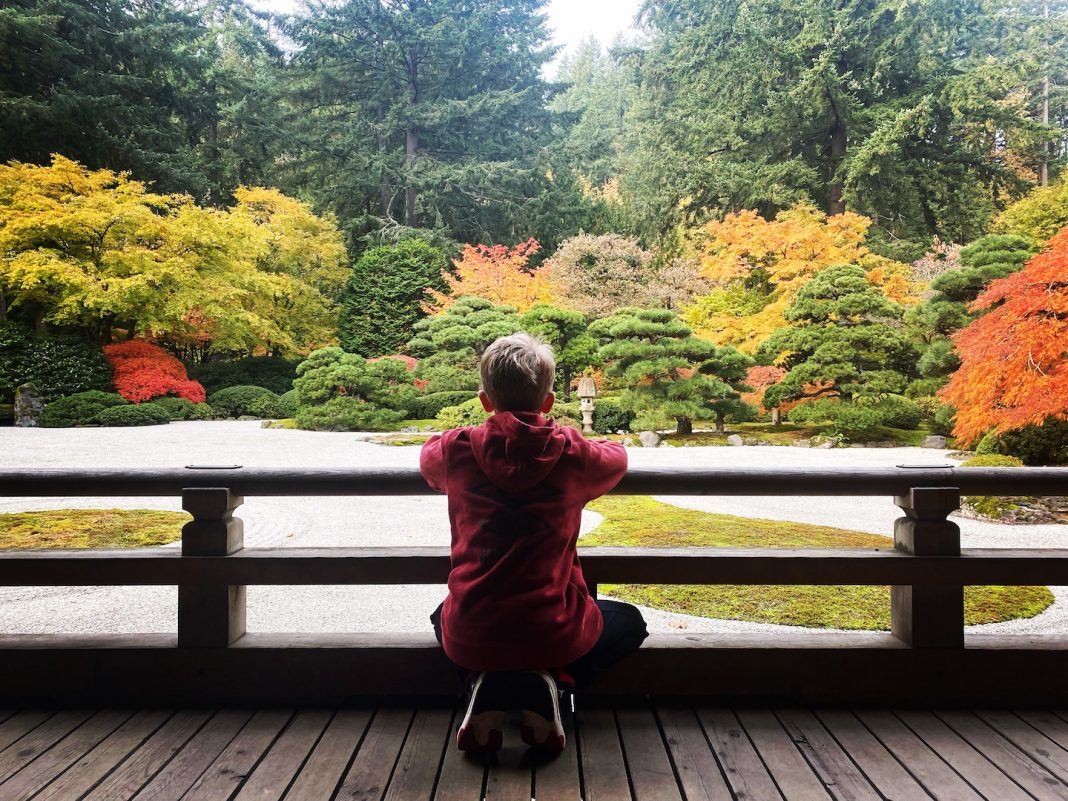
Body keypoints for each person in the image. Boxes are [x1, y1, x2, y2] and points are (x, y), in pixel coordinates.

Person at [420, 333, 648, 755]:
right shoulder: (572, 454)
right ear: (548, 401)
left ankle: (481, 684)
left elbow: (427, 455)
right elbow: (617, 456)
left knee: (444, 616)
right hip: (552, 632)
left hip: (474, 631)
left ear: (485, 400)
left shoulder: (456, 450)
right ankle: (552, 684)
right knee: (629, 622)